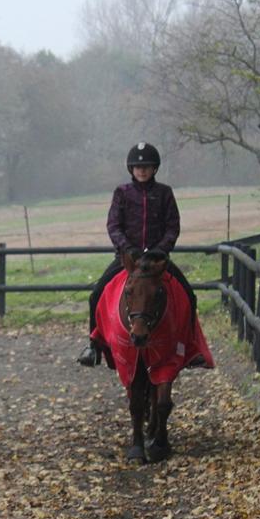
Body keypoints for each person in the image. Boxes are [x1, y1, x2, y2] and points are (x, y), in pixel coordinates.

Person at [77, 141, 189, 367]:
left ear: (154, 168)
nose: (142, 170)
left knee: (189, 294)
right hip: (128, 259)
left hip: (157, 260)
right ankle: (93, 346)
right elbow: (113, 226)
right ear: (131, 169)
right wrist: (127, 248)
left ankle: (190, 344)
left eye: (147, 166)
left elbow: (172, 227)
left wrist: (161, 249)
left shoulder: (164, 193)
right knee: (96, 294)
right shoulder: (122, 193)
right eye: (138, 167)